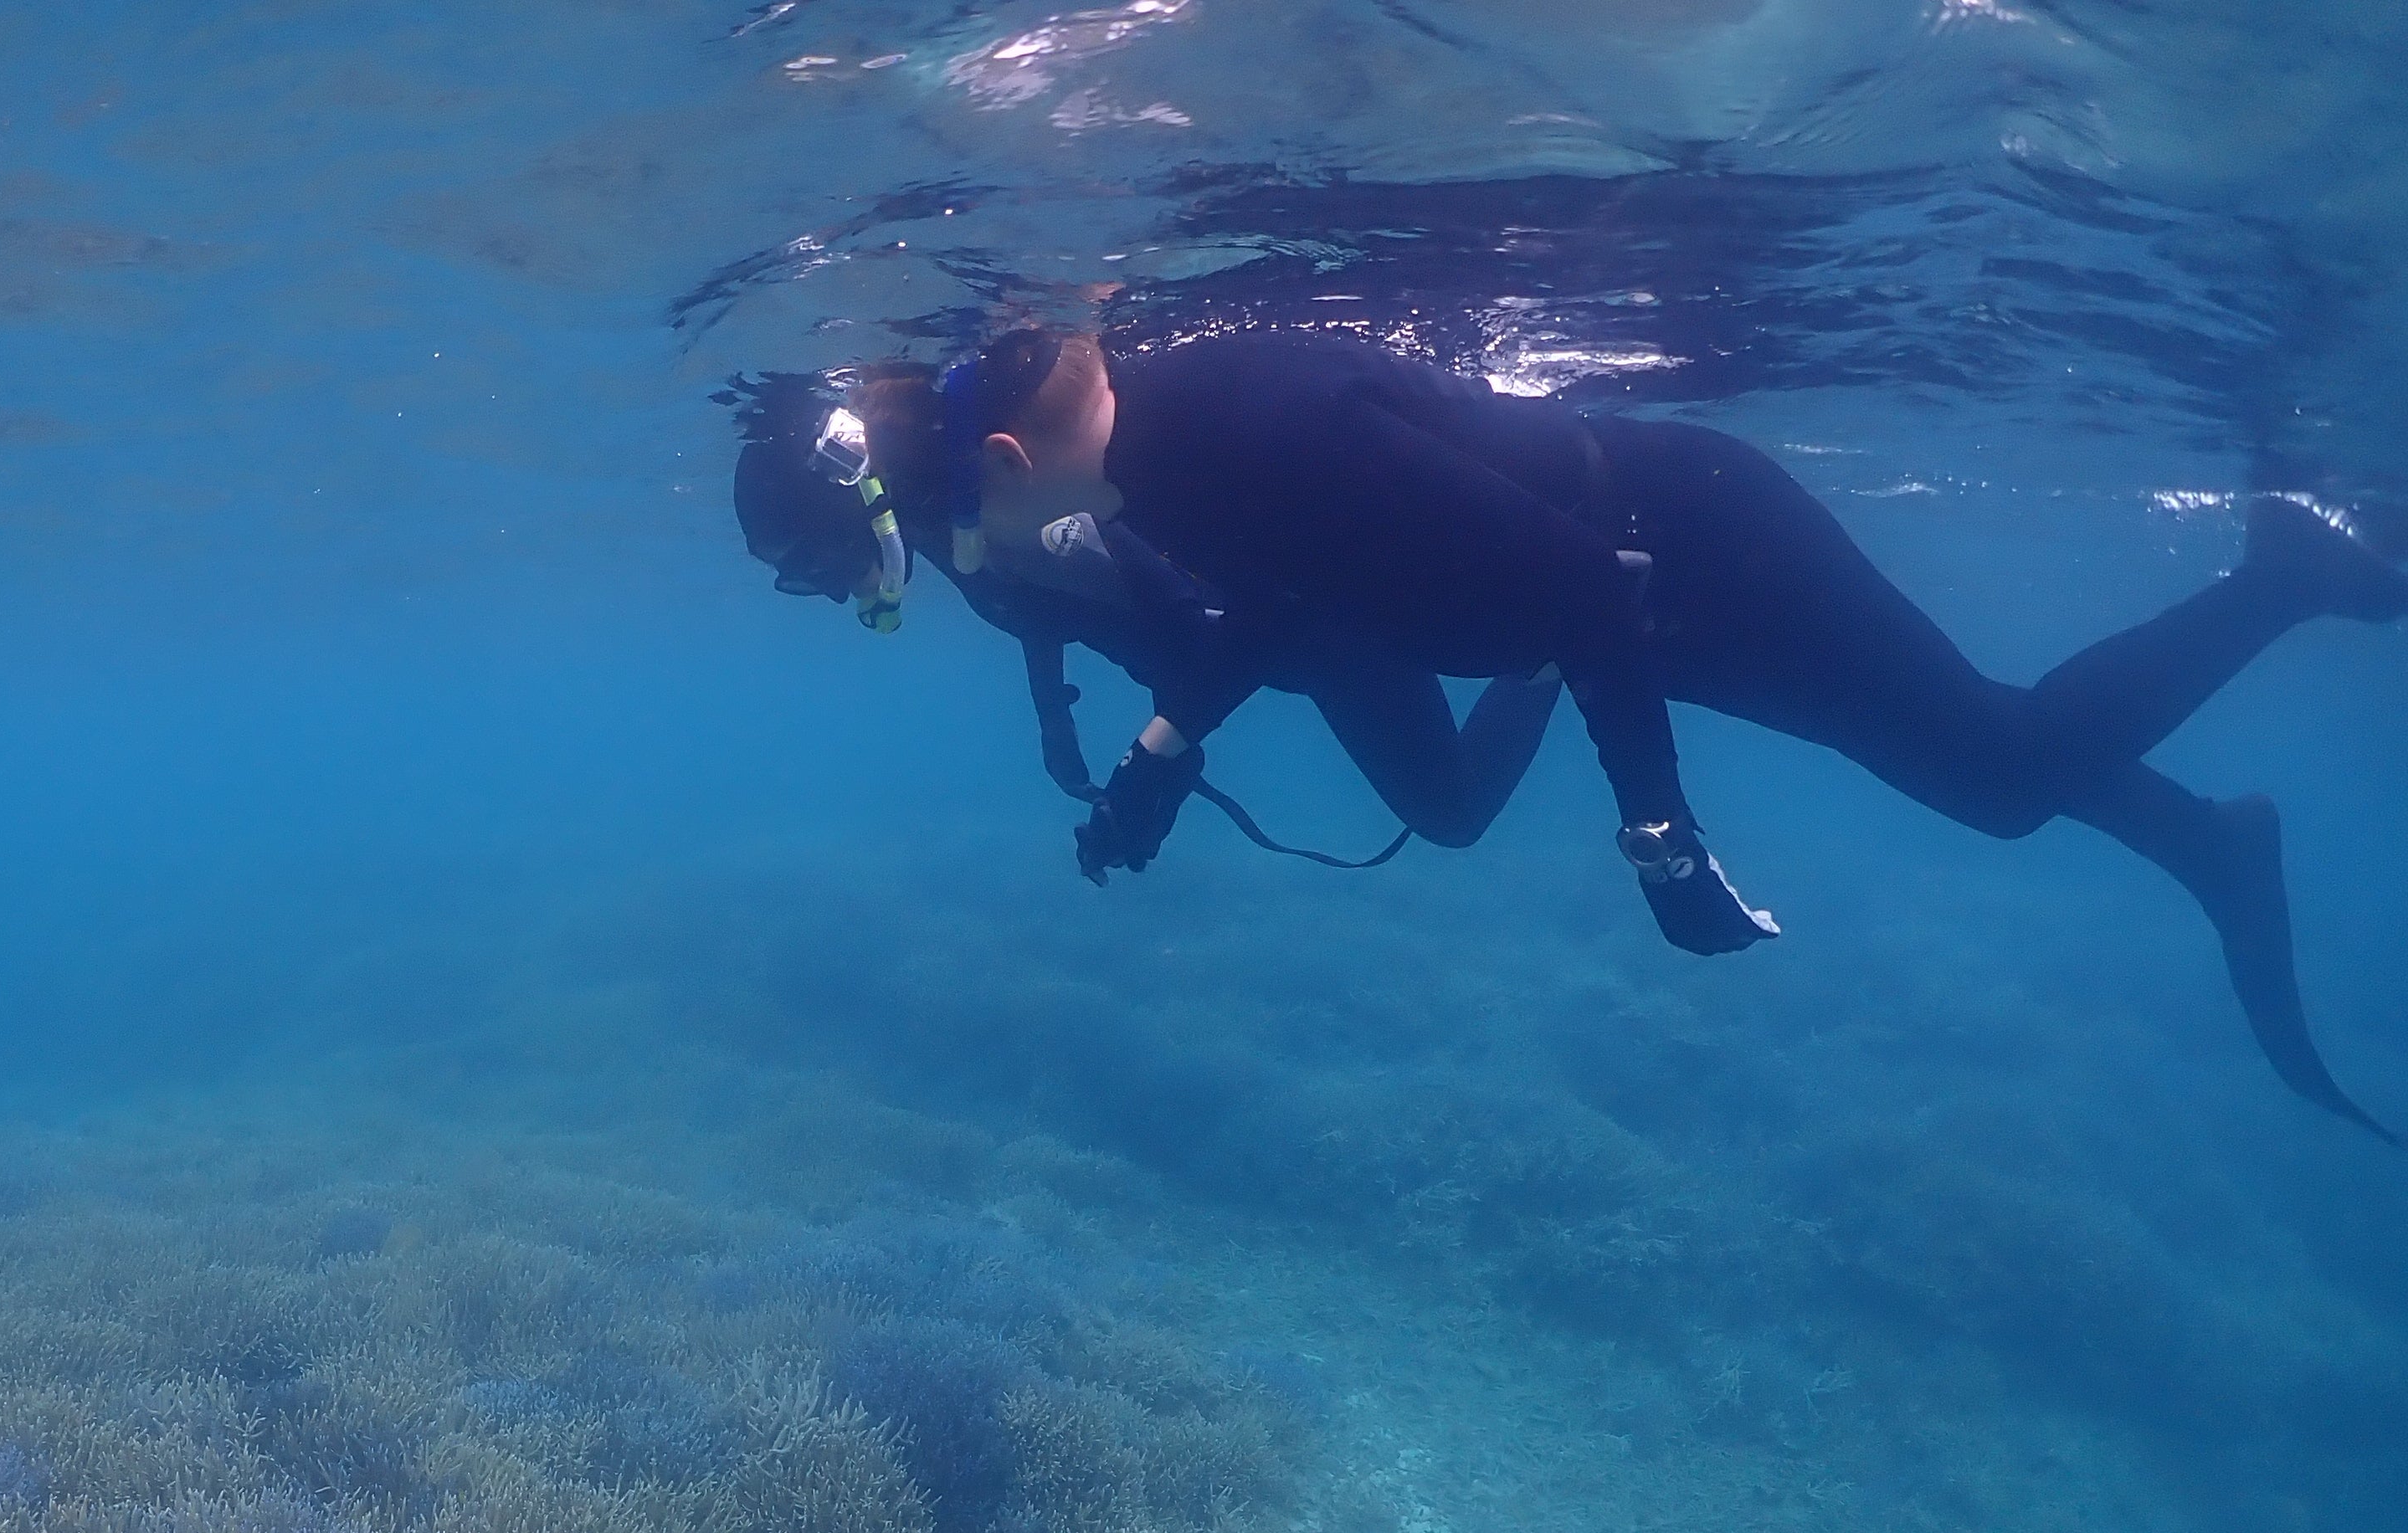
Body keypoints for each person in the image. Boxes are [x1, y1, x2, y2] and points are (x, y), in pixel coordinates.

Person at [733, 325, 2404, 1136]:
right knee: (1971, 759)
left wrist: (1660, 845)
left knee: (1987, 772)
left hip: (1684, 543)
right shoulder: (1163, 456)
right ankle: (2206, 823)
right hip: (1651, 583)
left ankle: (2275, 581)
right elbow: (1268, 607)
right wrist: (1158, 759)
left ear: (1010, 470)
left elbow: (1585, 595)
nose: (1012, 575)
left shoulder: (1234, 429)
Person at [734, 374, 1565, 878]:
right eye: (795, 582)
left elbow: (1247, 618)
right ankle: (1570, 604)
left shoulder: (993, 514)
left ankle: (1572, 624)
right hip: (1287, 642)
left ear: (846, 506)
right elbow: (1043, 603)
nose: (833, 592)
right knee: (1449, 804)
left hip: (1327, 628)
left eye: (809, 565)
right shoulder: (940, 521)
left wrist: (1152, 759)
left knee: (1451, 812)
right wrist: (1066, 729)